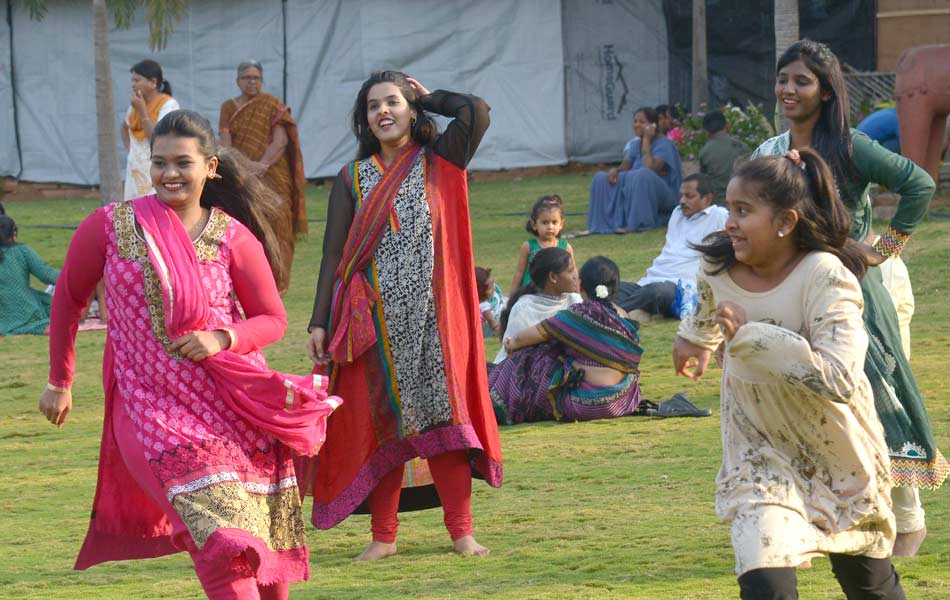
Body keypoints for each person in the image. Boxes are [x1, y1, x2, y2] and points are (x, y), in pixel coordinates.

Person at [39, 110, 340, 599]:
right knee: (217, 539)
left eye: (183, 162)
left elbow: (272, 319)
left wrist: (221, 338)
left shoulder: (232, 237)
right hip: (148, 410)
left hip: (232, 409)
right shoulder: (112, 227)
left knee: (258, 542)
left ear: (211, 167)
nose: (169, 174)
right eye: (160, 163)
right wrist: (60, 380)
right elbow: (68, 299)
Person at [675, 149, 905, 600]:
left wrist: (751, 337)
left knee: (869, 586)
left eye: (744, 211)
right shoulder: (719, 265)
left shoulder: (825, 275)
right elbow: (706, 307)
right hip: (758, 451)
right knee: (765, 580)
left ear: (785, 222)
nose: (729, 223)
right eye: (730, 209)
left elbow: (839, 377)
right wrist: (695, 340)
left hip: (837, 451)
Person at [753, 39, 947, 557]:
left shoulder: (850, 145)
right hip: (792, 294)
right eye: (783, 79)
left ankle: (908, 523)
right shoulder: (767, 154)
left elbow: (919, 184)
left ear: (825, 90)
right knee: (808, 409)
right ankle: (827, 521)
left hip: (856, 292)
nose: (788, 89)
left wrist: (883, 248)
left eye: (801, 81)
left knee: (877, 403)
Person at [303, 71, 502, 561]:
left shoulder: (441, 161)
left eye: (393, 102)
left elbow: (476, 110)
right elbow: (334, 256)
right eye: (373, 107)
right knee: (382, 429)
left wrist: (427, 94)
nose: (383, 112)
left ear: (413, 110)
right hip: (377, 325)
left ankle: (462, 533)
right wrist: (319, 322)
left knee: (445, 424)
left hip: (437, 323)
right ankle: (383, 538)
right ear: (365, 120)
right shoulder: (352, 178)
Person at [489, 256, 643, 425]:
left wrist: (512, 344)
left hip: (587, 403)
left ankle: (497, 402)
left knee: (534, 356)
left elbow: (525, 337)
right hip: (624, 399)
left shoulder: (579, 314)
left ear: (581, 285)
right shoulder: (624, 315)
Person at [219, 60, 307, 293]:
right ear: (238, 81)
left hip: (273, 177)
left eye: (256, 78)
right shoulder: (228, 107)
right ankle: (248, 283)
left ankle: (278, 284)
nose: (252, 82)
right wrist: (244, 168)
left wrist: (261, 166)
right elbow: (225, 144)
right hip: (241, 178)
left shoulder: (273, 105)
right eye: (247, 77)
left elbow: (281, 141)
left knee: (279, 226)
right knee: (246, 227)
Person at [614, 173, 727, 320]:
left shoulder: (718, 215)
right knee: (612, 288)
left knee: (657, 293)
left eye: (689, 196)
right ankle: (639, 310)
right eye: (681, 195)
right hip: (650, 281)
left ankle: (615, 313)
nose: (682, 201)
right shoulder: (677, 213)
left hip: (681, 287)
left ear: (707, 198)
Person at [585, 107, 682, 234]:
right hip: (637, 184)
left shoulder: (665, 144)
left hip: (664, 195)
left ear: (653, 125)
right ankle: (600, 225)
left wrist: (647, 140)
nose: (636, 125)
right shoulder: (636, 145)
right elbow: (625, 166)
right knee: (600, 178)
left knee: (643, 174)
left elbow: (649, 168)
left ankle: (639, 224)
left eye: (642, 122)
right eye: (635, 121)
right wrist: (615, 170)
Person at [494, 247, 581, 364]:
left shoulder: (575, 301)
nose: (576, 275)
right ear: (553, 277)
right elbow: (512, 351)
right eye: (571, 271)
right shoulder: (524, 308)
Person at [121, 59, 179, 201]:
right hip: (135, 169)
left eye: (137, 80)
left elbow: (157, 138)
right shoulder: (135, 105)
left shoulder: (169, 104)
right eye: (132, 80)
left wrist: (142, 111)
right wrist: (132, 153)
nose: (133, 85)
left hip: (156, 166)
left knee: (153, 207)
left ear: (153, 82)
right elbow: (124, 128)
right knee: (133, 209)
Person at [0, 215, 60, 335]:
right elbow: (46, 274)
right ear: (13, 233)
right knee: (58, 309)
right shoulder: (22, 251)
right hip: (24, 309)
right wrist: (73, 276)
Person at [509, 194, 574, 295]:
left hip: (557, 297)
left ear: (561, 224)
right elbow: (519, 273)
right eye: (545, 222)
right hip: (531, 296)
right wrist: (512, 297)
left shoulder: (565, 247)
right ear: (534, 224)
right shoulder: (528, 246)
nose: (550, 227)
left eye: (554, 222)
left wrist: (577, 294)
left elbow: (572, 272)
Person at [699, 110, 748, 205]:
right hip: (741, 201)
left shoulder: (705, 152)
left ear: (706, 131)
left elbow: (704, 182)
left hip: (716, 204)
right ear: (727, 126)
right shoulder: (742, 146)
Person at [475, 266, 505, 337]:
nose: (494, 288)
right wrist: (501, 331)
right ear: (480, 291)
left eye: (493, 284)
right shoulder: (484, 306)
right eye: (490, 288)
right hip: (487, 328)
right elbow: (492, 322)